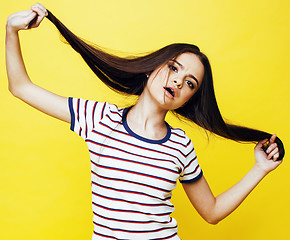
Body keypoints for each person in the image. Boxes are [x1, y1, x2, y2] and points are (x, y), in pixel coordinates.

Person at [5, 3, 284, 240]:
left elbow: (211, 212)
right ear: (153, 67)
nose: (177, 80)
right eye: (174, 67)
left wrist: (260, 169)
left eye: (189, 83)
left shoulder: (180, 145)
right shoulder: (99, 119)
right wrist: (11, 30)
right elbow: (20, 87)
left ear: (188, 99)